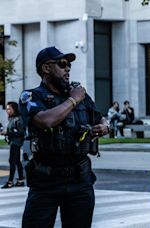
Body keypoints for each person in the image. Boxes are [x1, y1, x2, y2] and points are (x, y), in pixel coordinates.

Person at [19, 46, 109, 227]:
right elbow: (46, 120)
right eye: (62, 64)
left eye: (69, 65)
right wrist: (73, 100)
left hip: (80, 180)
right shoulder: (31, 96)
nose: (67, 68)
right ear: (46, 68)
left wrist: (103, 127)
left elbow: (99, 117)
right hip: (46, 181)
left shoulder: (79, 93)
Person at [0, 101, 25, 189]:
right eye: (6, 109)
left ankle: (10, 182)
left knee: (12, 161)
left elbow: (21, 132)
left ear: (14, 109)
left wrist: (8, 133)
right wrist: (6, 133)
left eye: (9, 109)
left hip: (16, 142)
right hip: (13, 142)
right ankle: (20, 180)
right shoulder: (12, 118)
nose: (7, 111)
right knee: (17, 161)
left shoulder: (18, 119)